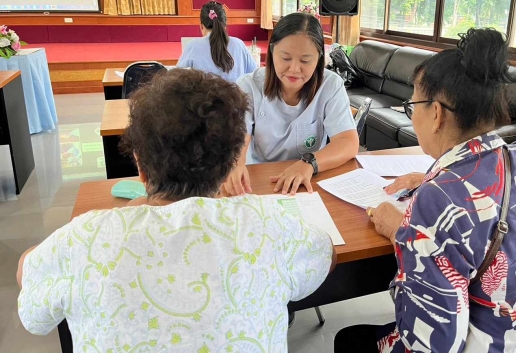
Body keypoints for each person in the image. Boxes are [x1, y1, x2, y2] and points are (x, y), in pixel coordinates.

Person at [17, 69, 335, 351]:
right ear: (230, 165)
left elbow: (33, 304)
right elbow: (326, 254)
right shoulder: (266, 223)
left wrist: (41, 252)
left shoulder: (83, 238)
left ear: (140, 166)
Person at [335, 28, 516, 352]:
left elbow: (431, 343)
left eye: (413, 105)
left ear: (436, 114)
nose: (413, 115)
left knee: (349, 340)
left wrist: (400, 232)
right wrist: (433, 179)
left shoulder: (437, 200)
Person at [223, 12, 359, 196]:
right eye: (285, 58)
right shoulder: (249, 86)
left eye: (305, 60)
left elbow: (348, 142)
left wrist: (309, 163)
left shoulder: (330, 85)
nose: (294, 69)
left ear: (319, 58)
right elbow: (239, 138)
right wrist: (236, 164)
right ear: (272, 51)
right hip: (261, 177)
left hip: (308, 178)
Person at [177, 0, 257, 81]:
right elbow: (255, 75)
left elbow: (177, 78)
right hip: (236, 89)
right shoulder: (239, 44)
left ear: (201, 26)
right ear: (225, 26)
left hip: (203, 90)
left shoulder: (193, 46)